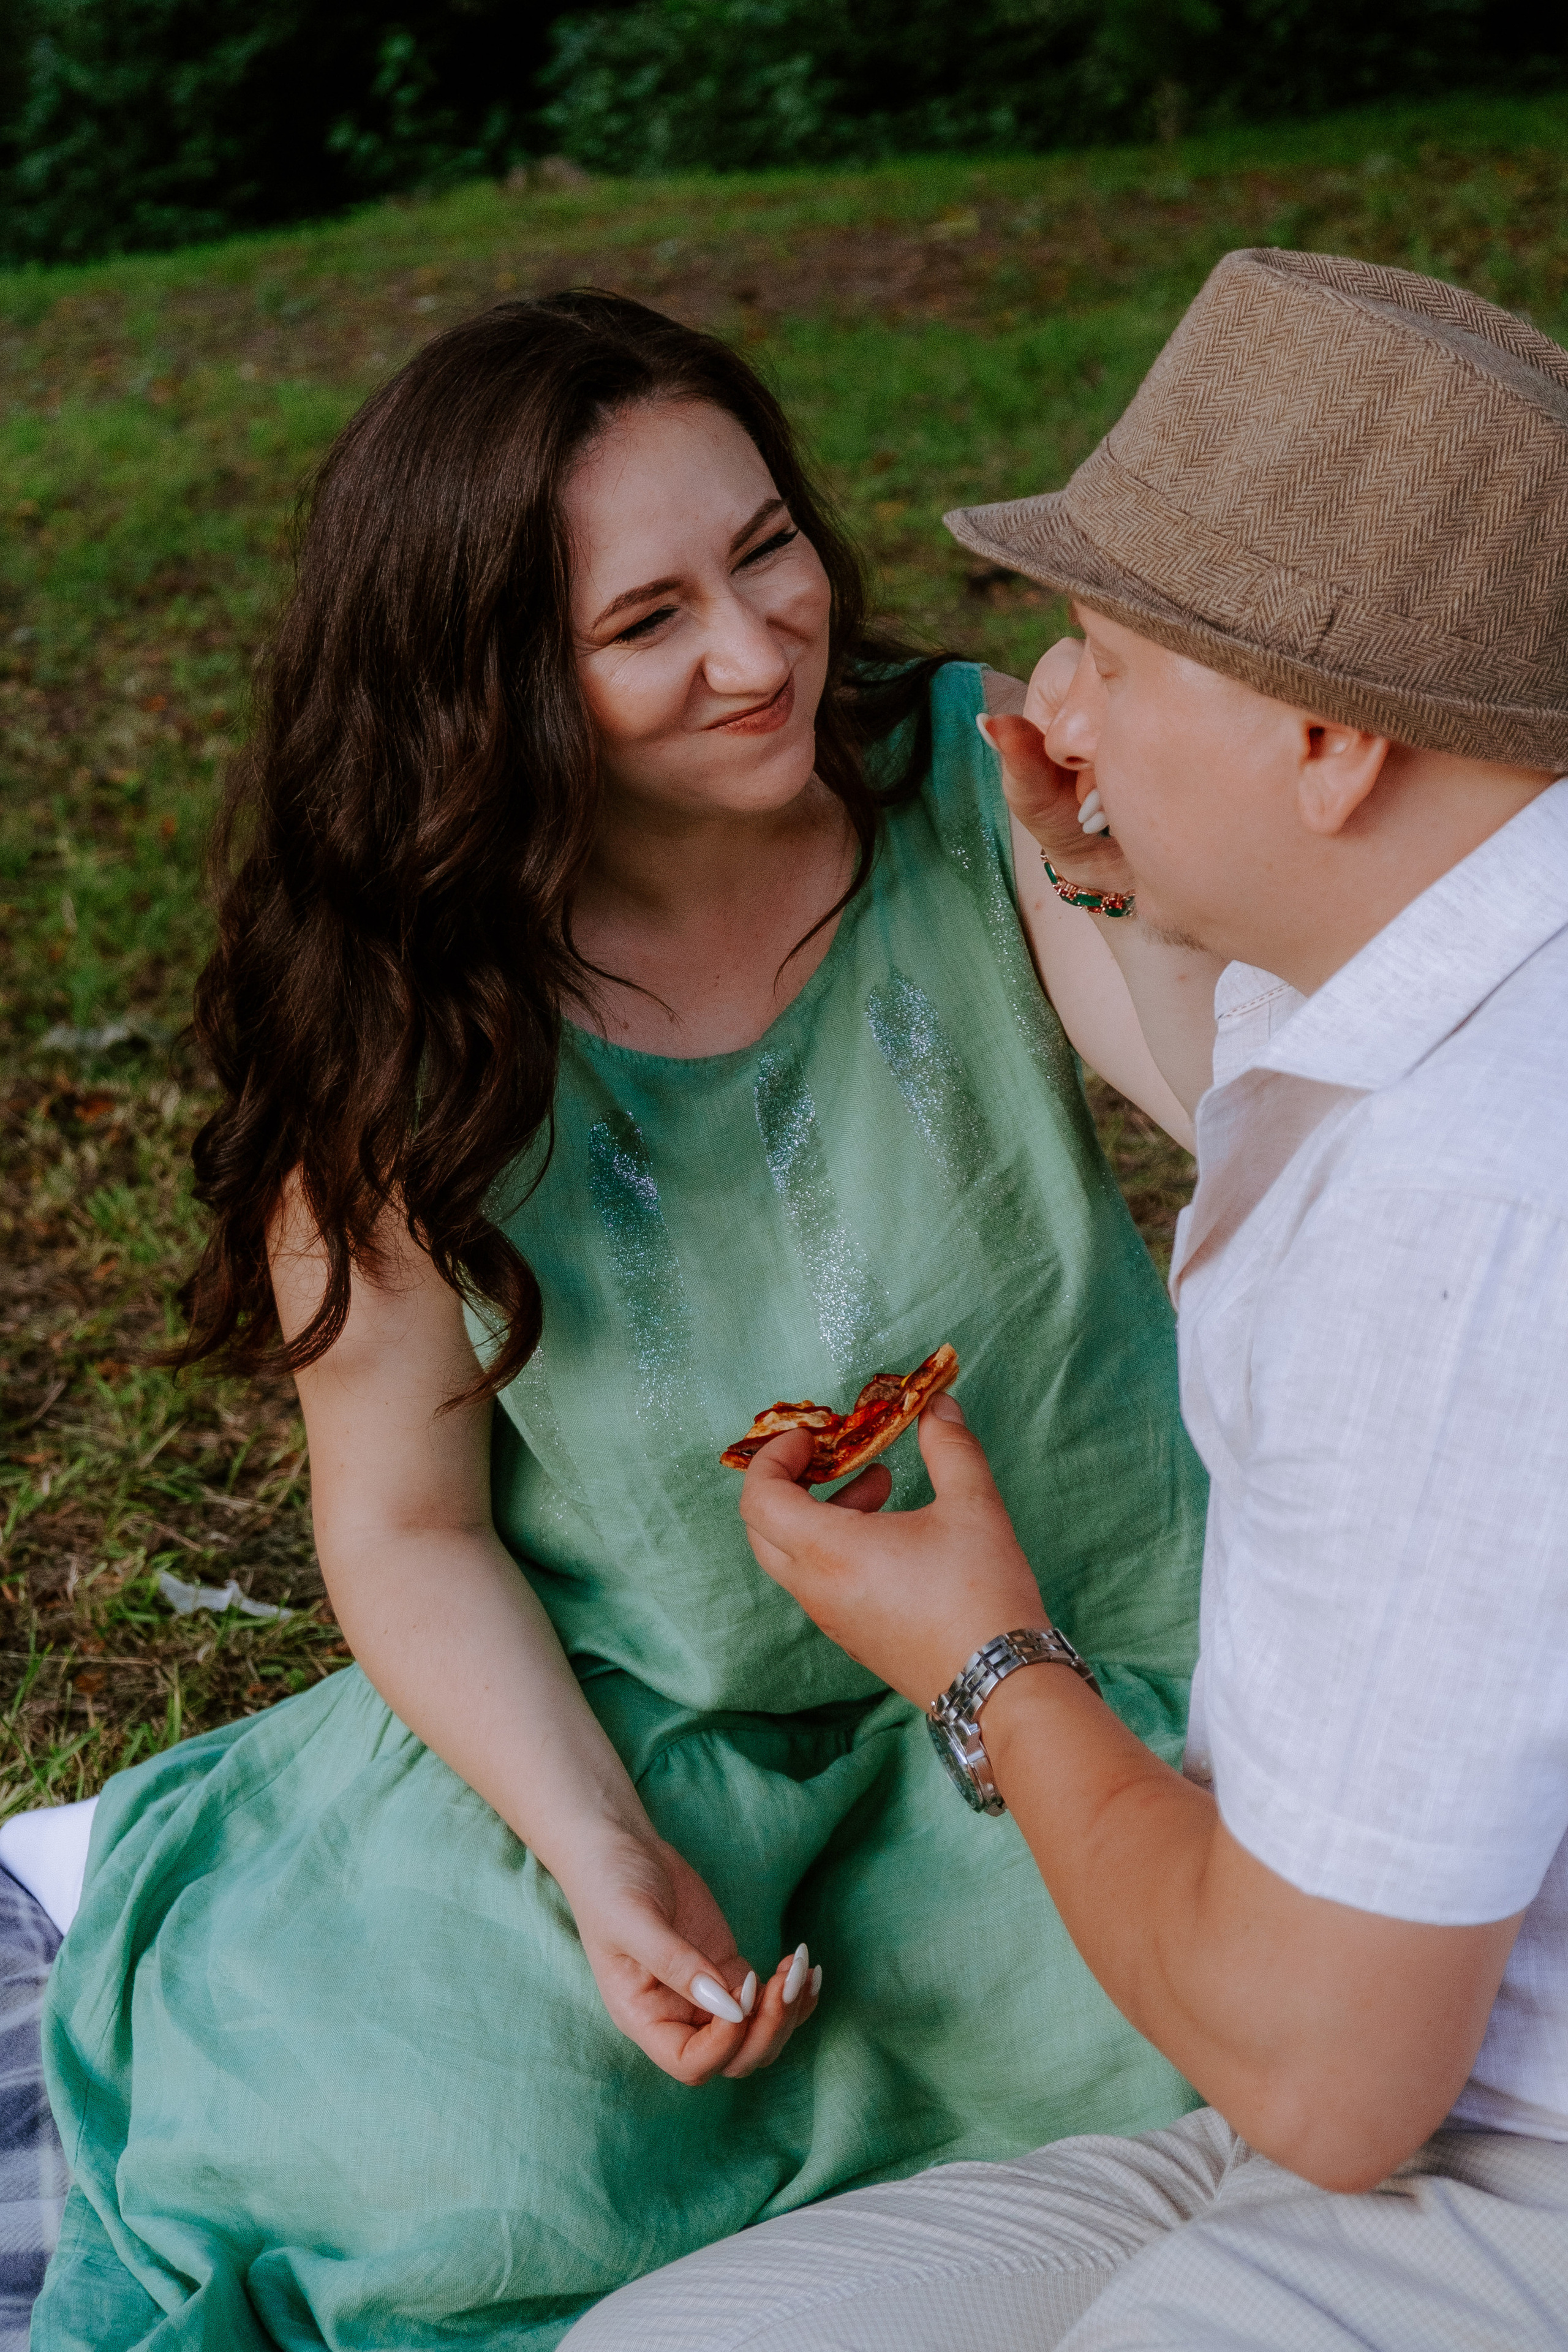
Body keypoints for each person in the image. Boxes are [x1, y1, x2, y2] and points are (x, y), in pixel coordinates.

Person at [29, 292, 1212, 2350]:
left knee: (1174, 2049)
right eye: (645, 623)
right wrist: (590, 1852)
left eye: (769, 552)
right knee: (458, 2173)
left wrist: (1128, 883)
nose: (760, 653)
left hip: (1073, 1666)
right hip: (658, 1724)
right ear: (488, 689)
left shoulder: (956, 775)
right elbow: (405, 1524)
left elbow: (1224, 1114)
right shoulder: (410, 1018)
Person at [560, 249, 1568, 2350]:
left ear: (1327, 741)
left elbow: (1330, 2077)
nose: (1050, 714)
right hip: (1395, 2049)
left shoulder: (1464, 1211)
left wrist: (987, 1659)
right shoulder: (1456, 995)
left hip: (1464, 2137)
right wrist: (1141, 881)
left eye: (1108, 652)